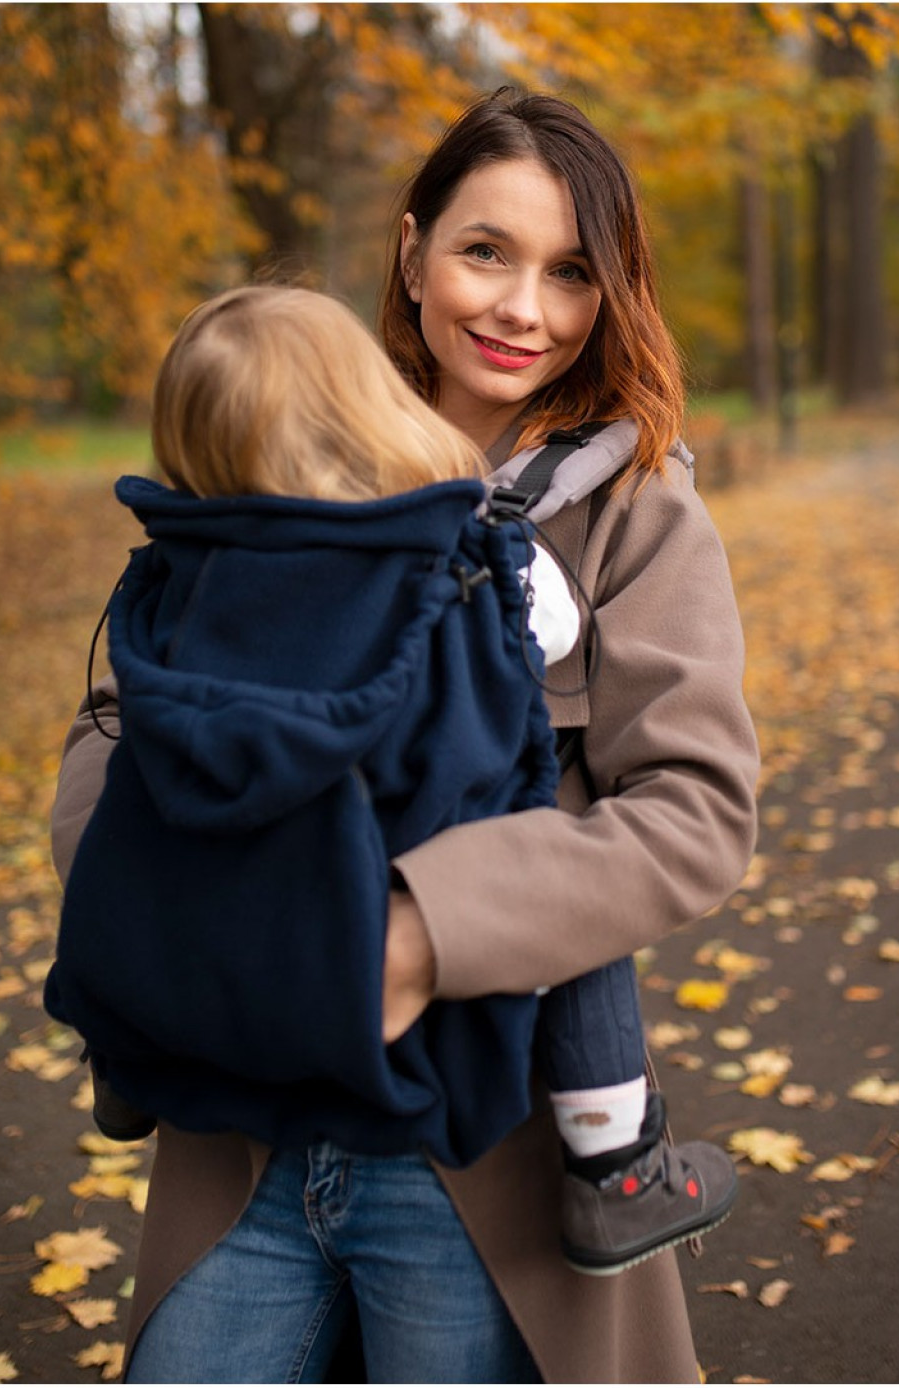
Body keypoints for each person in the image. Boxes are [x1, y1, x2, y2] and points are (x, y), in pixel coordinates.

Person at [49, 89, 760, 1383]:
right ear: (413, 248)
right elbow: (126, 704)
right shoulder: (282, 430)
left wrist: (422, 935)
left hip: (482, 1169)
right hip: (237, 1137)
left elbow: (695, 812)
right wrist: (151, 913)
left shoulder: (636, 515)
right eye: (486, 251)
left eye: (571, 274)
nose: (522, 308)